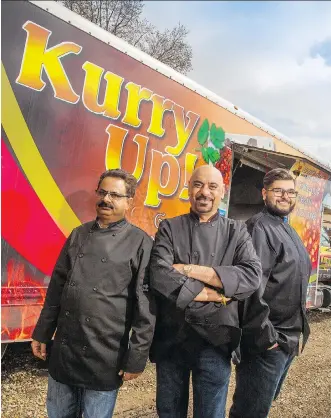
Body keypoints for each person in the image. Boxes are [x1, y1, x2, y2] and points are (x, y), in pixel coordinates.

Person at [31, 169, 155, 418]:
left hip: (104, 355)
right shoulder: (78, 234)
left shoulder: (140, 243)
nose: (106, 199)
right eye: (103, 192)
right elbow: (57, 289)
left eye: (115, 195)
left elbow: (146, 306)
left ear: (129, 202)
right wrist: (42, 333)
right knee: (58, 414)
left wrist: (136, 357)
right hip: (65, 350)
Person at [149, 165, 262, 418]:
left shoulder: (237, 231)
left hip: (216, 339)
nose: (205, 192)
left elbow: (251, 276)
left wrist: (189, 269)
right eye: (198, 184)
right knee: (168, 410)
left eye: (212, 186)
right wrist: (217, 294)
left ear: (222, 191)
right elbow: (159, 274)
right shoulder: (169, 228)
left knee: (210, 413)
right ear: (189, 189)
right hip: (172, 338)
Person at [229, 168, 312, 418]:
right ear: (265, 193)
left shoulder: (285, 227)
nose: (285, 196)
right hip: (267, 343)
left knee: (260, 407)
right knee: (249, 411)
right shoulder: (259, 228)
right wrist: (266, 338)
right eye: (278, 191)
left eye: (290, 192)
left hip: (288, 340)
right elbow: (251, 288)